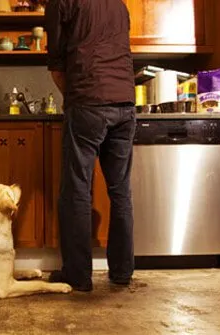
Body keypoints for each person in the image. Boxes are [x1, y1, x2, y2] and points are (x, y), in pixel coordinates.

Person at [44, 0, 136, 292]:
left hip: (88, 101)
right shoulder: (119, 5)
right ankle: (122, 272)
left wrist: (73, 99)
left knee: (76, 190)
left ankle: (78, 275)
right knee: (120, 191)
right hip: (125, 103)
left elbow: (56, 61)